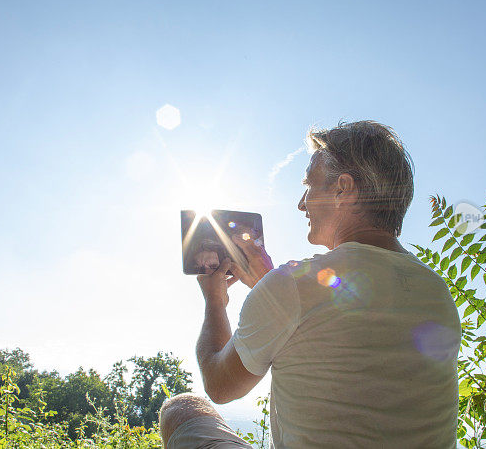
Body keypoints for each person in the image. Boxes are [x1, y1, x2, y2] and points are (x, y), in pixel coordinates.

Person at [160, 121, 461, 448]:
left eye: (309, 185)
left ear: (343, 189)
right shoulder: (437, 292)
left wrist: (214, 301)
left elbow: (219, 384)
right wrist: (268, 285)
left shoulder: (289, 289)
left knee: (180, 409)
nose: (302, 203)